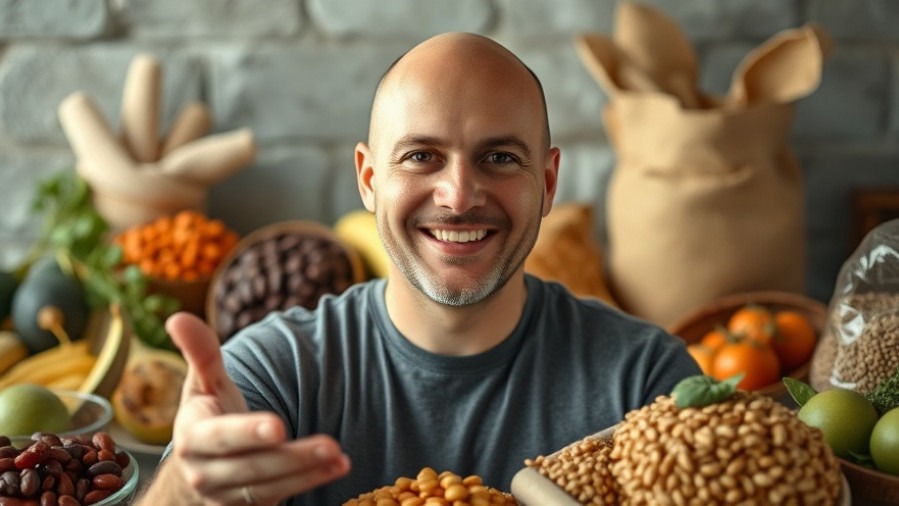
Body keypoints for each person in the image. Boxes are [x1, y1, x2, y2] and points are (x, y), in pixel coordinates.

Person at [135, 32, 701, 506]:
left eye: (499, 158)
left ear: (547, 184)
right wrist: (187, 488)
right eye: (420, 156)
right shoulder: (276, 373)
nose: (458, 196)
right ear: (369, 178)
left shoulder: (646, 382)